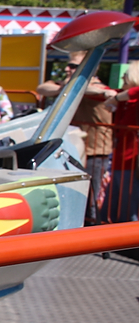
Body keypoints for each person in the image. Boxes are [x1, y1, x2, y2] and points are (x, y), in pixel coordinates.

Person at [37, 51, 117, 224]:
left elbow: (96, 91)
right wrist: (66, 88)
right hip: (73, 150)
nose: (67, 69)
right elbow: (42, 88)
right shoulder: (69, 86)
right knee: (73, 192)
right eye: (69, 65)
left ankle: (95, 229)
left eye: (74, 66)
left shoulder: (100, 89)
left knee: (93, 195)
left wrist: (73, 87)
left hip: (96, 151)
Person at [101, 61, 139, 223]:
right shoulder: (123, 97)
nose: (122, 78)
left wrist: (115, 98)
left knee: (128, 207)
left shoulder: (130, 97)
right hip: (119, 158)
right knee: (112, 205)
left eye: (126, 75)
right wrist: (107, 95)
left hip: (132, 160)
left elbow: (135, 92)